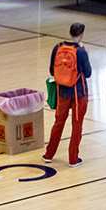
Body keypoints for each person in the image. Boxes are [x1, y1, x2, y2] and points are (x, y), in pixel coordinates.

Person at [43, 23, 93, 168]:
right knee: (77, 126)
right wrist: (86, 56)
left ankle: (49, 155)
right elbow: (88, 73)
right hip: (79, 94)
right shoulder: (81, 52)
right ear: (81, 35)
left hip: (62, 93)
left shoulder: (57, 47)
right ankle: (73, 159)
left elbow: (52, 71)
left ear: (69, 33)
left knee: (58, 123)